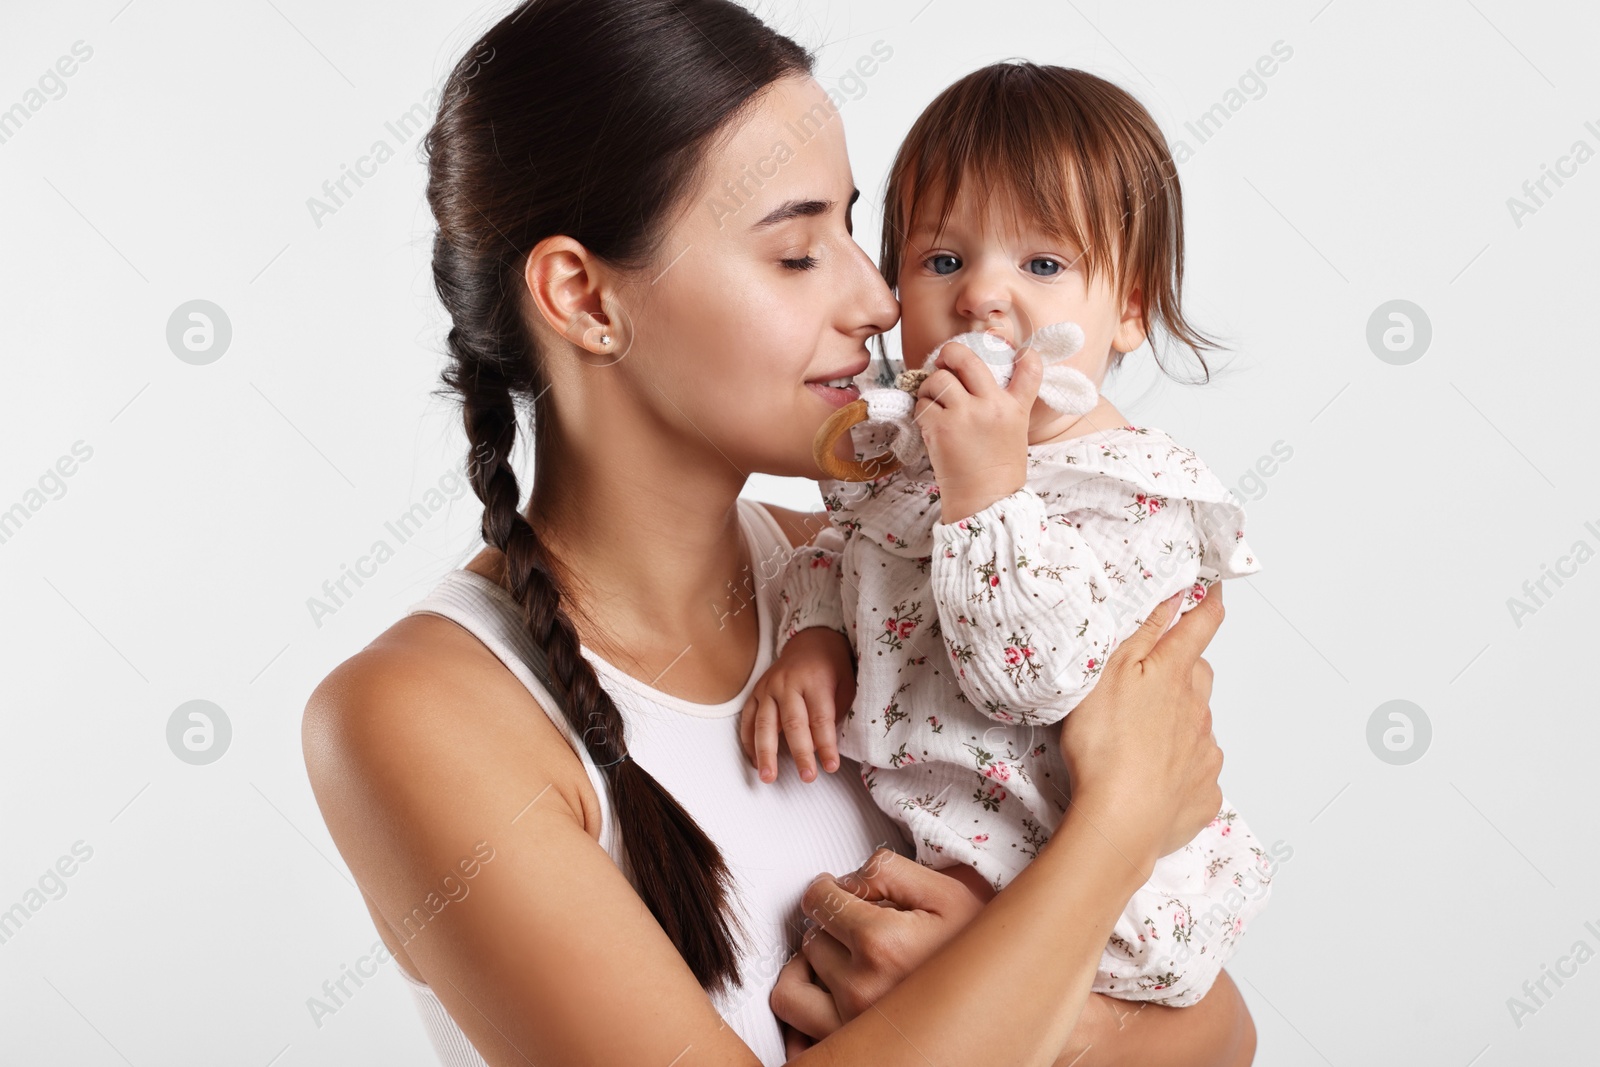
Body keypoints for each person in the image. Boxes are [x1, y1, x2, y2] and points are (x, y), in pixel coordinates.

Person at [301, 1, 1254, 1063]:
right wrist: (1113, 827)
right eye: (799, 252)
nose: (880, 301)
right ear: (583, 296)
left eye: (856, 230)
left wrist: (1015, 985)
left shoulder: (882, 581)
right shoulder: (417, 714)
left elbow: (1218, 1034)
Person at [745, 62, 1272, 1008]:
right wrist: (816, 634)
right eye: (942, 261)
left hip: (1103, 887)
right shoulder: (909, 463)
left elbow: (1034, 679)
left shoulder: (1135, 493)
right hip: (943, 852)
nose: (984, 295)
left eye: (1041, 265)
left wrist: (987, 494)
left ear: (1134, 305)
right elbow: (844, 551)